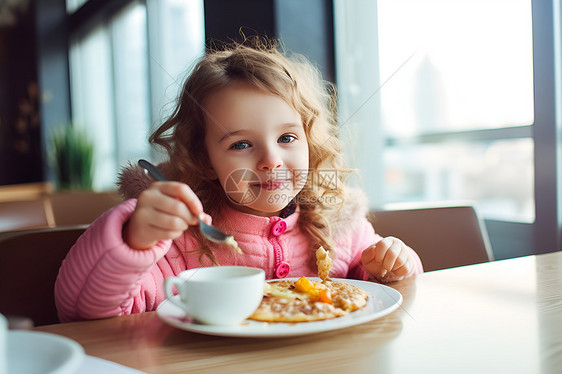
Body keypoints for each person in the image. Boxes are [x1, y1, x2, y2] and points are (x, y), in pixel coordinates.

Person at [55, 38, 423, 322]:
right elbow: (88, 315)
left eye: (287, 138)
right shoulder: (177, 242)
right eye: (242, 144)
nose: (270, 161)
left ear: (309, 141)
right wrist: (133, 240)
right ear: (205, 159)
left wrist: (390, 265)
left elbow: (376, 285)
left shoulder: (339, 226)